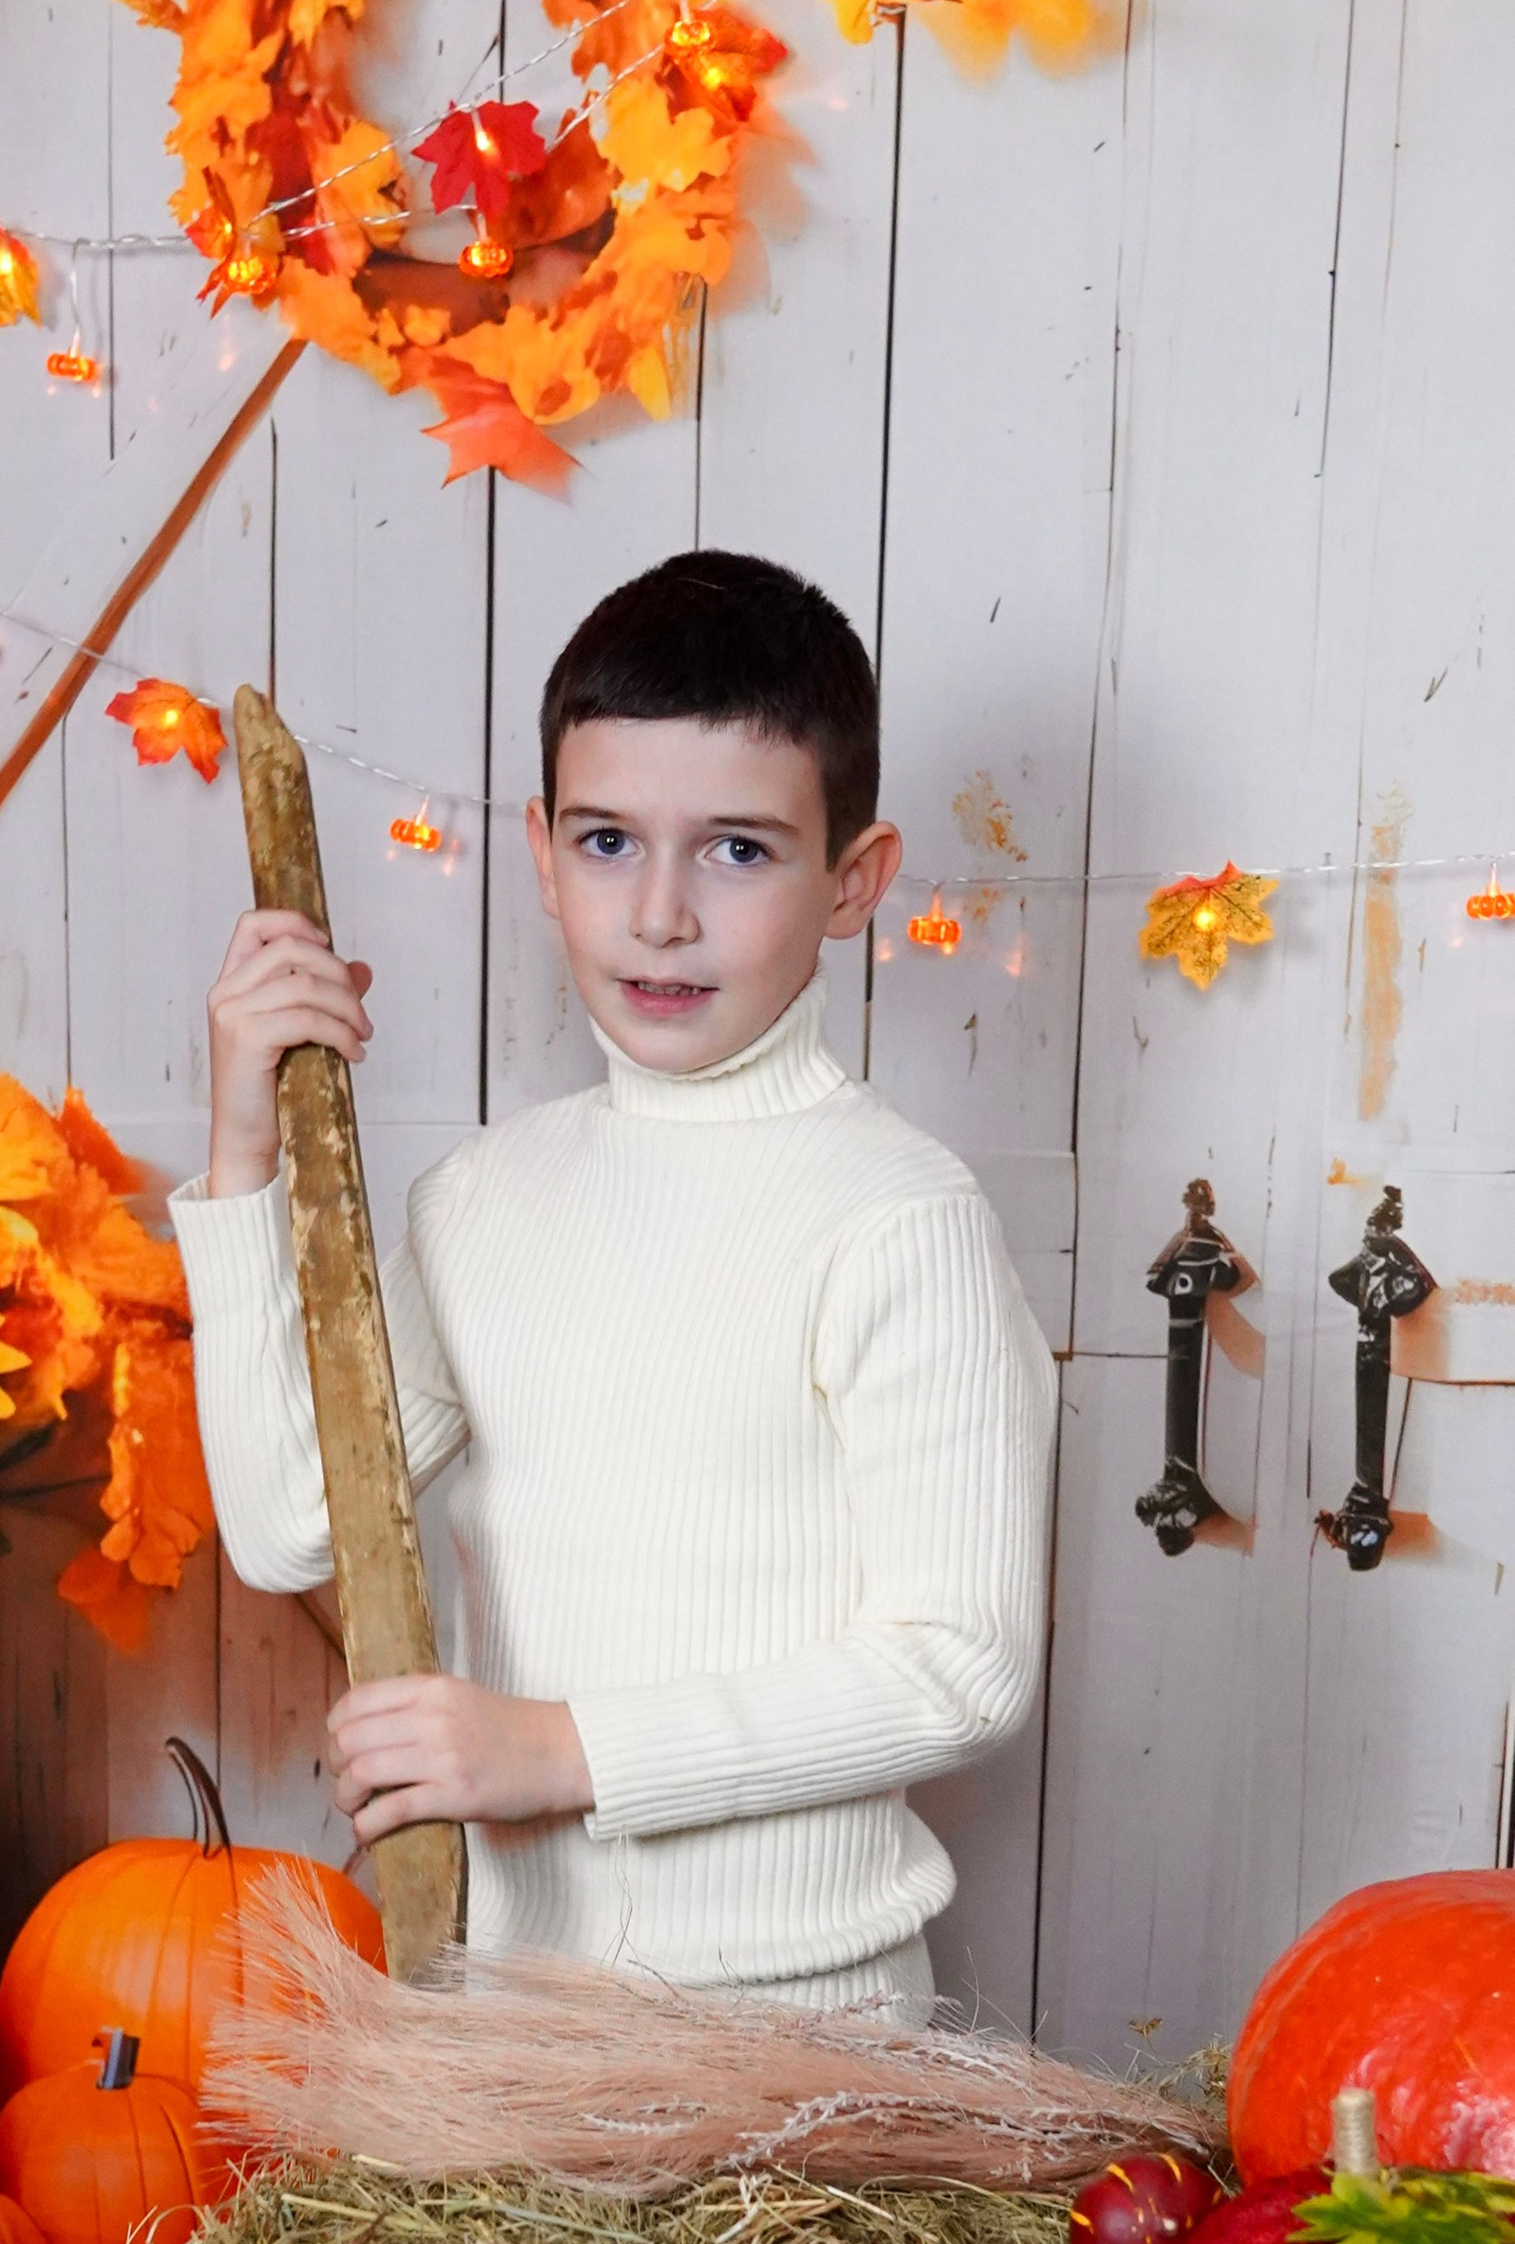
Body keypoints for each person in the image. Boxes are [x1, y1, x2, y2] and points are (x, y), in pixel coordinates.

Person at [170, 550, 1055, 2025]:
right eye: (605, 842)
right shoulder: (483, 1200)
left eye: (738, 851)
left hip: (801, 2034)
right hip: (511, 2015)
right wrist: (243, 1147)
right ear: (538, 850)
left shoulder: (898, 1219)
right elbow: (286, 1526)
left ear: (856, 880)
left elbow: (961, 1663)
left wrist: (563, 1751)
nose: (657, 915)